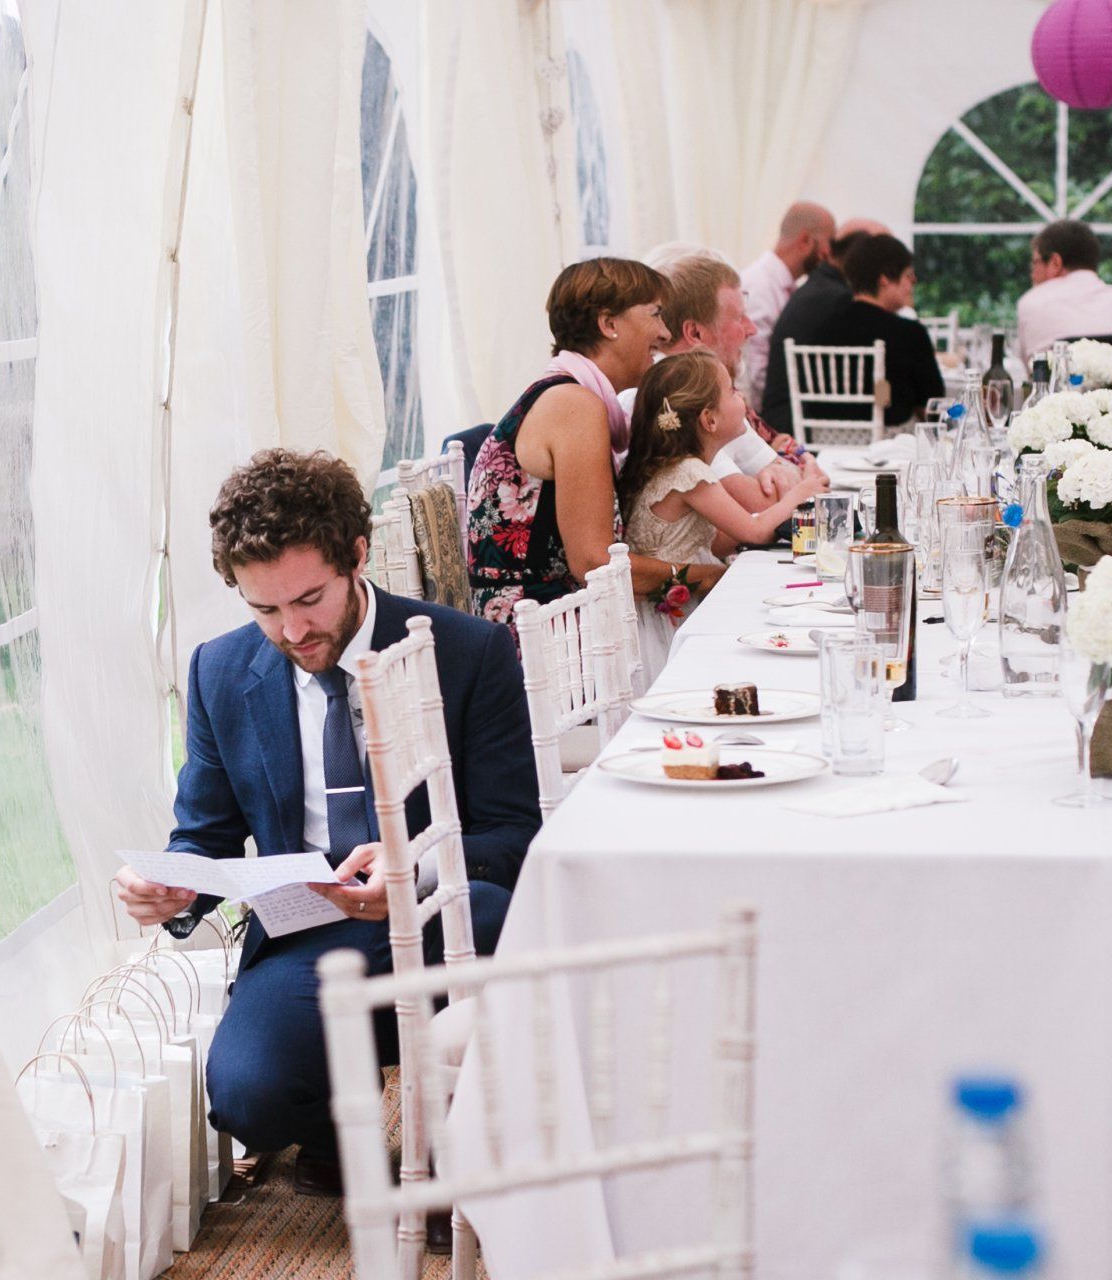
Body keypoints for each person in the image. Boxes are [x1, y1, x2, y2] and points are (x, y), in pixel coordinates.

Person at [112, 450, 542, 1221]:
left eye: (309, 599)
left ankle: (457, 1151)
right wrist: (176, 882)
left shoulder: (467, 652)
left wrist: (412, 865)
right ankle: (341, 1141)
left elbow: (515, 834)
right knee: (248, 1095)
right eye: (265, 610)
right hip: (307, 935)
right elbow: (202, 833)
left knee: (486, 909)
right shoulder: (220, 671)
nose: (292, 629)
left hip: (447, 910)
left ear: (356, 556)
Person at [465, 257, 726, 629]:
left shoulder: (574, 397)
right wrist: (709, 577)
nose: (666, 333)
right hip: (544, 639)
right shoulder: (575, 405)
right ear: (608, 324)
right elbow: (593, 562)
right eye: (655, 314)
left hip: (560, 622)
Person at [619, 352, 827, 676]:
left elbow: (717, 541)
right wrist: (799, 495)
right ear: (709, 420)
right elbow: (753, 533)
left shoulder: (683, 468)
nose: (741, 396)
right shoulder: (689, 473)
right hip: (670, 620)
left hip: (679, 604)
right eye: (731, 390)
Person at [646, 252, 824, 517]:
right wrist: (806, 476)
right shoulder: (674, 400)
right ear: (695, 333)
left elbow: (784, 467)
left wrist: (795, 469)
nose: (752, 329)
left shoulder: (716, 390)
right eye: (739, 318)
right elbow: (761, 505)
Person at [760, 217, 891, 433]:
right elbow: (874, 379)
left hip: (786, 417)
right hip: (808, 425)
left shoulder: (817, 287)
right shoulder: (842, 300)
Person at [807, 233, 945, 427]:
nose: (913, 281)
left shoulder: (821, 329)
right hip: (890, 443)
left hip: (824, 441)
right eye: (908, 275)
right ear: (884, 279)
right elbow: (931, 406)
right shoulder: (909, 333)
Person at [1014, 219, 1112, 361]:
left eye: (1035, 263)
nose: (1032, 274)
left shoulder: (1033, 303)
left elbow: (1033, 377)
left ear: (1055, 263)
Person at [740, 201, 836, 405]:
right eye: (831, 243)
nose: (830, 255)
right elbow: (757, 373)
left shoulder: (787, 286)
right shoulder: (758, 287)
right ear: (805, 240)